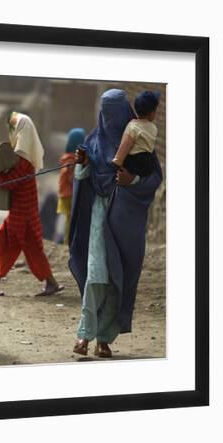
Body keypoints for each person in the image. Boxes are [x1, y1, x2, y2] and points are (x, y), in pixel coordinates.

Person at [69, 89, 162, 357]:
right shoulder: (94, 141)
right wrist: (83, 164)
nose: (110, 119)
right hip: (99, 216)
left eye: (115, 112)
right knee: (97, 274)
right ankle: (84, 335)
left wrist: (131, 181)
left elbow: (154, 178)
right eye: (106, 112)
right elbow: (84, 176)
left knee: (115, 279)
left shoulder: (139, 139)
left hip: (125, 221)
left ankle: (104, 339)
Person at [0, 111, 63, 297]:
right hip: (23, 212)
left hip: (22, 215)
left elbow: (10, 183)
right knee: (15, 245)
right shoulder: (23, 156)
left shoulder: (23, 159)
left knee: (15, 245)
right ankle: (47, 283)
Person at [112, 91, 161, 177]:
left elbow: (124, 146)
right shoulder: (154, 128)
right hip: (148, 165)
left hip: (134, 164)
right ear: (151, 113)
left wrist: (116, 161)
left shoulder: (132, 127)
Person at [57, 128, 85, 245]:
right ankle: (68, 242)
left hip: (66, 194)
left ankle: (69, 241)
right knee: (71, 220)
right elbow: (70, 177)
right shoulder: (71, 159)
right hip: (70, 194)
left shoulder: (66, 157)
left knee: (70, 219)